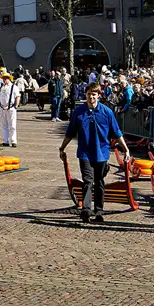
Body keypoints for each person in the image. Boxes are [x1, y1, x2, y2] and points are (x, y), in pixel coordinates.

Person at [59, 83, 132, 223]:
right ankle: (86, 210)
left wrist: (126, 149)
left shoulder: (107, 112)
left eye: (93, 94)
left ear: (99, 95)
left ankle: (99, 210)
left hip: (102, 153)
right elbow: (70, 132)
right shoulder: (78, 112)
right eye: (88, 94)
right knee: (87, 180)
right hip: (85, 152)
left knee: (99, 182)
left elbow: (116, 133)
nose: (91, 97)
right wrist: (62, 148)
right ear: (85, 95)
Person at [0, 73, 21, 147]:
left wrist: (16, 106)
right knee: (4, 125)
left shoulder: (14, 87)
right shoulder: (2, 87)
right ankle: (5, 141)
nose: (4, 80)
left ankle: (13, 141)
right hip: (3, 108)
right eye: (3, 78)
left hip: (11, 107)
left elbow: (17, 96)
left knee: (12, 125)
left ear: (9, 79)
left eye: (6, 78)